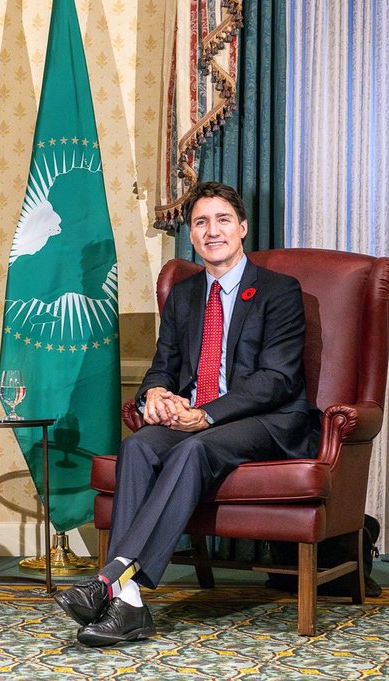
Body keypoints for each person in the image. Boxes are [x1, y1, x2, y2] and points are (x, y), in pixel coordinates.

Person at [54, 182, 321, 646]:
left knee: (192, 449)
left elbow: (276, 379)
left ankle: (112, 577)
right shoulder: (184, 295)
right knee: (137, 446)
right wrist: (156, 395)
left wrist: (206, 414)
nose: (211, 231)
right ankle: (130, 604)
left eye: (221, 220)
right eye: (200, 222)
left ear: (241, 228)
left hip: (267, 421)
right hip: (195, 418)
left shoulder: (279, 290)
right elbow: (163, 366)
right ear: (192, 236)